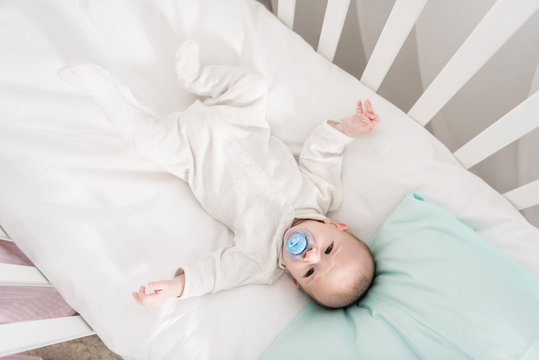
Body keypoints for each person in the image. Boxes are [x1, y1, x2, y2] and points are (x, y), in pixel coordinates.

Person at [58, 41, 378, 309]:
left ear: (294, 279)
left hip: (192, 156)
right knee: (252, 85)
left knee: (145, 140)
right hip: (242, 121)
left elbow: (218, 273)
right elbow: (321, 153)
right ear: (336, 226)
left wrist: (176, 288)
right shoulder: (320, 194)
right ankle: (196, 79)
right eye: (328, 250)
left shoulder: (260, 260)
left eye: (309, 272)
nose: (309, 254)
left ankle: (101, 87)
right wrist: (348, 130)